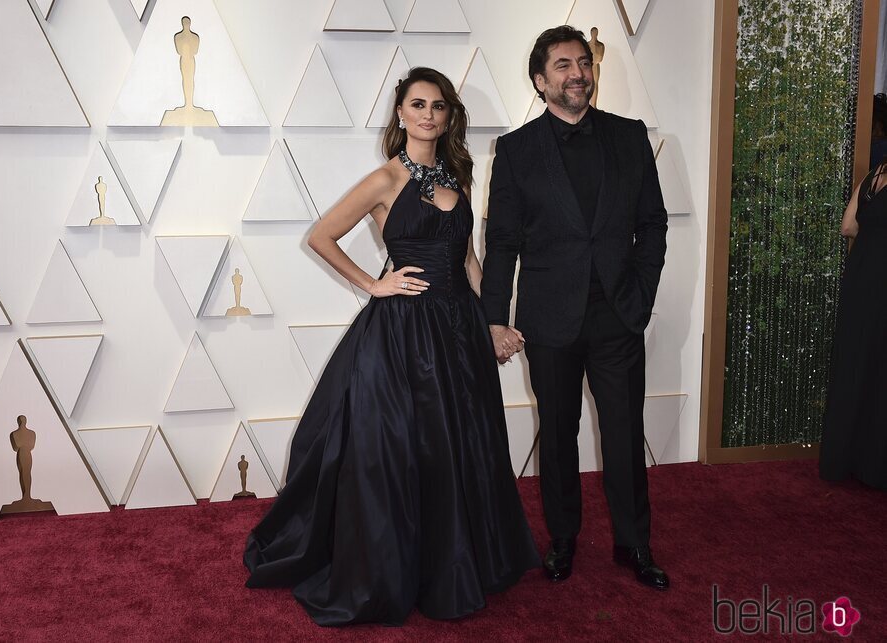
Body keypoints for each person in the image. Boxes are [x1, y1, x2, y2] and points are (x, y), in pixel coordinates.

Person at [243, 67, 539, 626]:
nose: (429, 114)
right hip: (402, 336)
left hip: (457, 333)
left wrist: (495, 322)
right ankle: (397, 570)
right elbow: (320, 236)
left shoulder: (461, 174)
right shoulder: (384, 180)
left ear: (448, 116)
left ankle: (454, 563)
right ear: (400, 113)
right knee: (403, 451)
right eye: (418, 104)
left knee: (459, 447)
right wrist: (375, 283)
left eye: (439, 106)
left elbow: (470, 261)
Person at [481, 26, 670, 590]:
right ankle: (563, 539)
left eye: (583, 62)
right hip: (549, 319)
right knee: (558, 434)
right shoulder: (515, 150)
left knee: (622, 432)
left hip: (617, 315)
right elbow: (502, 241)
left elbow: (652, 224)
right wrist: (494, 317)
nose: (577, 73)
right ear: (541, 81)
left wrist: (641, 294)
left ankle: (634, 543)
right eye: (562, 65)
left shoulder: (630, 136)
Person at [819, 161, 887, 491]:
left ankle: (841, 459)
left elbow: (847, 226)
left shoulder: (873, 175)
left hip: (860, 276)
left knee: (854, 364)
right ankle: (873, 465)